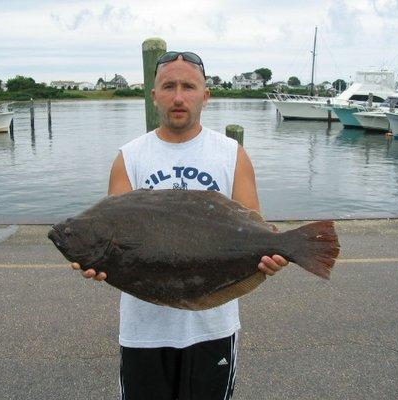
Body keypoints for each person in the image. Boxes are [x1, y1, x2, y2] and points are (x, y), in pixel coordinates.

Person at [71, 51, 288, 400]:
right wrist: (98, 260)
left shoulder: (232, 154)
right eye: (168, 86)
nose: (178, 96)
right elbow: (113, 234)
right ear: (153, 94)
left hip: (212, 328)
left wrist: (272, 255)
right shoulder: (129, 157)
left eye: (188, 86)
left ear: (206, 95)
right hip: (144, 332)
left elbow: (256, 231)